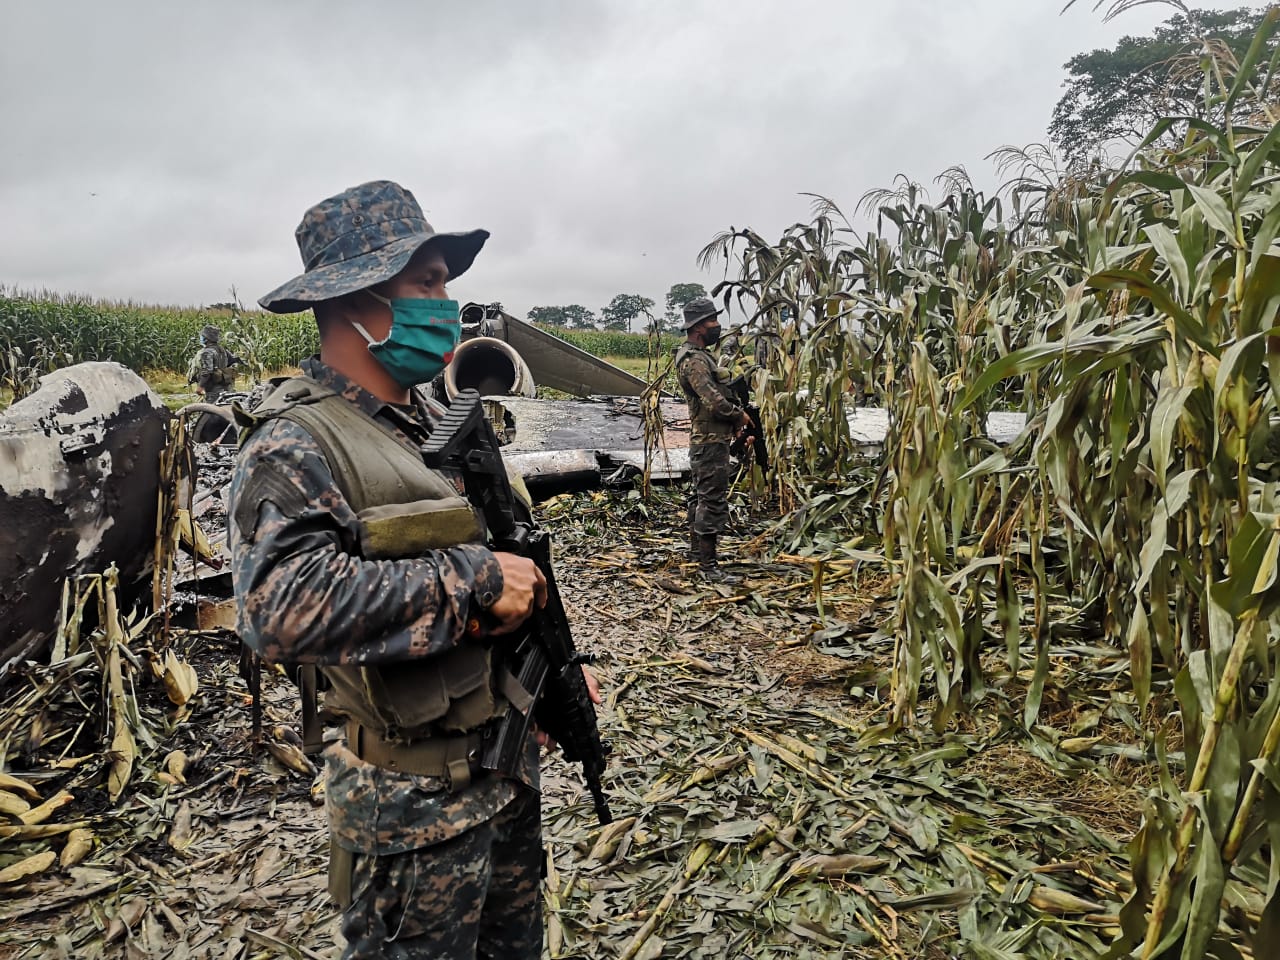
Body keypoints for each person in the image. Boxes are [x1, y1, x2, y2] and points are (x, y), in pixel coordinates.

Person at [228, 179, 599, 959]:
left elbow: (505, 550)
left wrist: (547, 677)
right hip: (409, 811)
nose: (446, 304)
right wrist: (477, 583)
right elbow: (277, 611)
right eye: (426, 283)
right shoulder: (295, 443)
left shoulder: (437, 421)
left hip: (505, 777)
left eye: (444, 284)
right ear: (353, 298)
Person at [674, 297, 753, 580]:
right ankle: (708, 568)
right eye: (712, 321)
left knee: (701, 496)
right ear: (698, 327)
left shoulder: (699, 355)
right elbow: (713, 401)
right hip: (708, 442)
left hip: (710, 439)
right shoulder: (694, 361)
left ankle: (698, 553)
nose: (717, 326)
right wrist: (739, 416)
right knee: (711, 500)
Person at [186, 324, 237, 402]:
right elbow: (232, 361)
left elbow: (206, 372)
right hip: (225, 387)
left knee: (211, 408)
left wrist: (200, 386)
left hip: (213, 390)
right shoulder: (222, 350)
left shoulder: (207, 352)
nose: (201, 337)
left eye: (202, 336)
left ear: (207, 338)